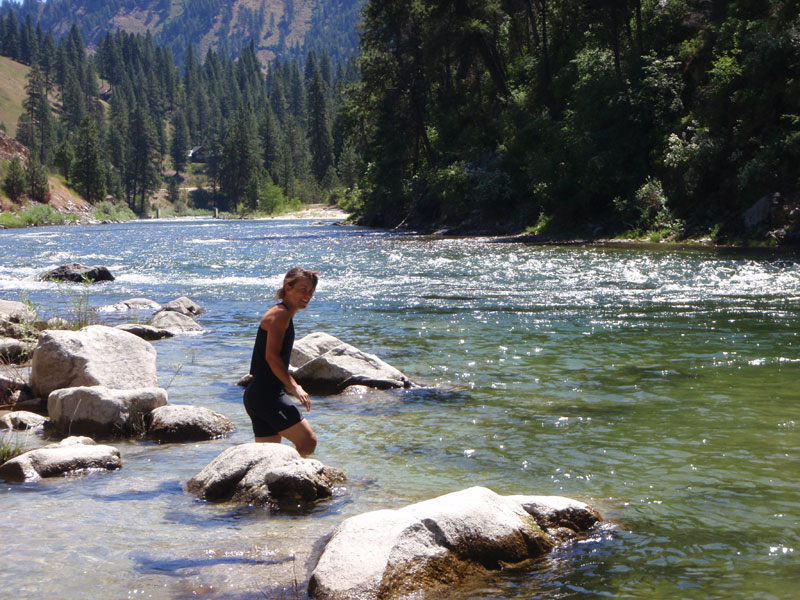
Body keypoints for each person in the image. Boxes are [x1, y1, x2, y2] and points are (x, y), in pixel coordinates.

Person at [243, 267, 319, 456]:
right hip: (267, 395)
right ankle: (299, 480)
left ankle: (280, 485)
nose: (307, 295)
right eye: (303, 289)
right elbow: (272, 357)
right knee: (308, 442)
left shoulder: (282, 313)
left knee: (270, 458)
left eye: (311, 291)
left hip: (258, 395)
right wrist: (295, 387)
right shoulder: (281, 314)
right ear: (288, 286)